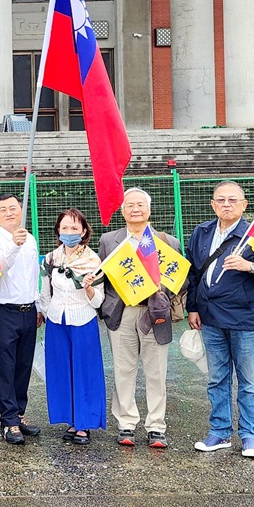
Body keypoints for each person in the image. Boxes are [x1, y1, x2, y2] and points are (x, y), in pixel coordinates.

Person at [186, 180, 254, 458]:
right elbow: (194, 274)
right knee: (217, 379)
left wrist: (250, 266)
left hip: (246, 319)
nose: (226, 204)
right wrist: (193, 307)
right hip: (211, 318)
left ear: (244, 205)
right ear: (212, 204)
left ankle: (250, 436)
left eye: (232, 200)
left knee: (249, 380)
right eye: (221, 200)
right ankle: (219, 432)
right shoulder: (202, 233)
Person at [98, 188, 181, 450]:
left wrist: (160, 292)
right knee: (123, 369)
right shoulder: (109, 240)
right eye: (130, 205)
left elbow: (179, 280)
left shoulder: (168, 242)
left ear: (149, 209)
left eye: (140, 205)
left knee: (157, 371)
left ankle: (156, 425)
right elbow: (102, 277)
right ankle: (126, 422)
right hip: (122, 312)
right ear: (123, 211)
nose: (135, 209)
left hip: (154, 312)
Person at [38, 208, 106, 445]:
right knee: (61, 371)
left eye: (75, 228)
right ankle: (70, 419)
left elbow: (98, 300)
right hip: (57, 321)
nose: (69, 232)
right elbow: (45, 293)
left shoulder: (93, 260)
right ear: (58, 230)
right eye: (65, 228)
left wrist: (88, 287)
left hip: (83, 321)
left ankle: (85, 423)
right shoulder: (50, 259)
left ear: (84, 231)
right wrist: (45, 314)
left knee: (85, 371)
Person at [0, 193, 42, 445]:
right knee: (5, 367)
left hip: (28, 311)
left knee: (23, 366)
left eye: (13, 208)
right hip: (3, 312)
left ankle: (19, 413)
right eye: (3, 209)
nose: (9, 213)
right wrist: (13, 245)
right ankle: (8, 420)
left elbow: (33, 276)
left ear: (21, 210)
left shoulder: (30, 238)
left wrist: (38, 305)